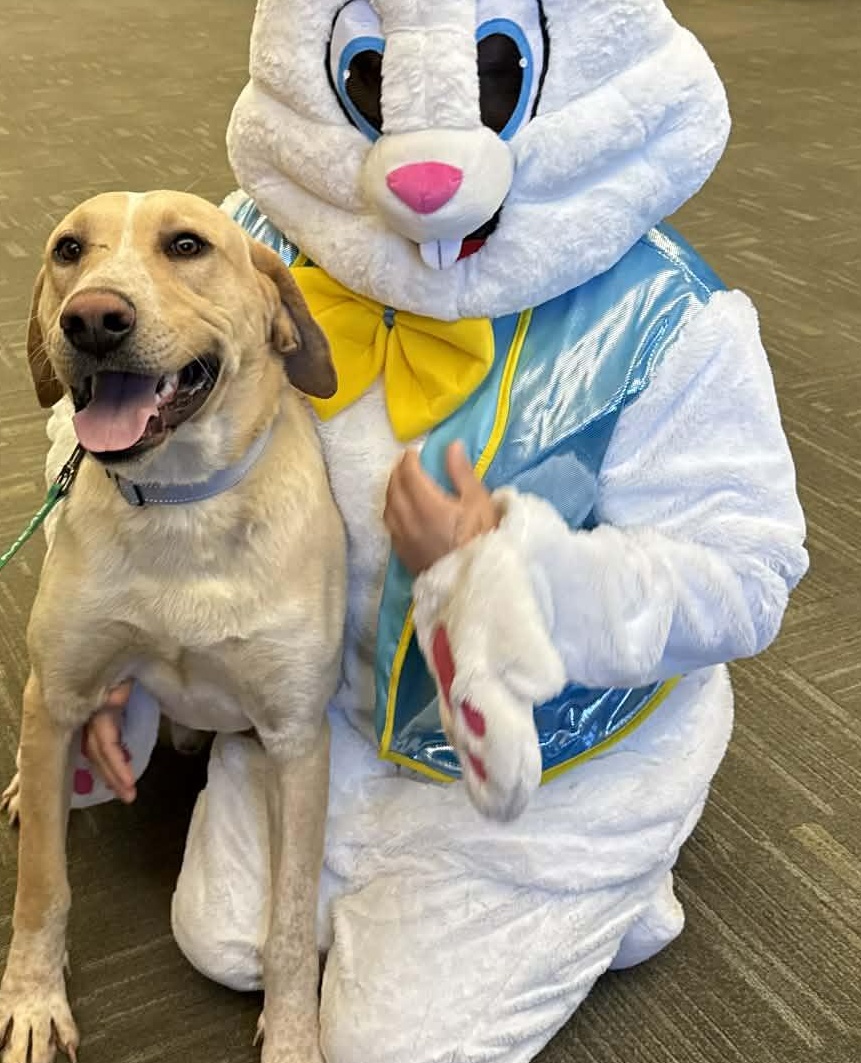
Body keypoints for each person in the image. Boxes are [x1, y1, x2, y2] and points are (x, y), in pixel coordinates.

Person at [61, 1, 808, 1059]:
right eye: (368, 81)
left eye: (497, 76)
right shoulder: (260, 243)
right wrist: (121, 657)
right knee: (220, 941)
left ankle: (620, 872)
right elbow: (114, 414)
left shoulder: (668, 322)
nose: (421, 170)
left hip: (550, 754)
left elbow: (748, 575)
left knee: (386, 1047)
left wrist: (517, 574)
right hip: (332, 710)